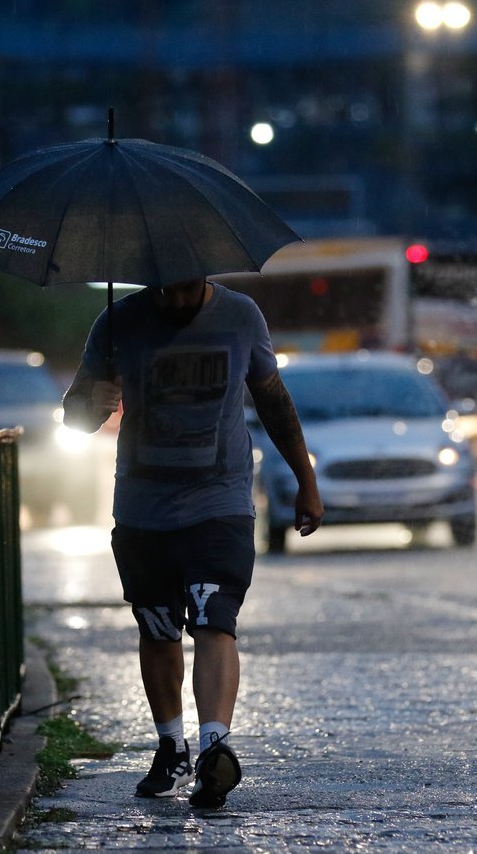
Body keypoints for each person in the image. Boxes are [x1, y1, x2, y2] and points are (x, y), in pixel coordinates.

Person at [61, 276, 323, 810]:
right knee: (157, 628)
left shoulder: (241, 316)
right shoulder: (116, 322)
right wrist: (96, 401)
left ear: (204, 275)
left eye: (185, 289)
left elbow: (273, 399)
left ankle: (213, 749)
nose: (175, 301)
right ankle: (170, 744)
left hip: (219, 503)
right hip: (142, 509)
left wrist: (306, 479)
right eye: (163, 291)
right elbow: (73, 417)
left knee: (214, 618)